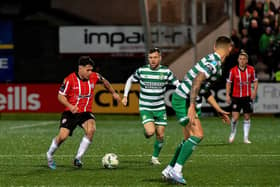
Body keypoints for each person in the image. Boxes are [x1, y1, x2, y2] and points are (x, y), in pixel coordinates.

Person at [161, 36, 232, 185]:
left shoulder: (212, 59)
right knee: (198, 135)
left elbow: (204, 90)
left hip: (184, 97)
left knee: (188, 139)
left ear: (214, 46)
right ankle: (176, 170)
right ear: (229, 49)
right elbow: (198, 79)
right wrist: (192, 105)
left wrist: (219, 109)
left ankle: (169, 169)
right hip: (186, 99)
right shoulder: (214, 62)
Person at [46, 56, 121, 169]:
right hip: (70, 113)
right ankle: (49, 155)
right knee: (62, 137)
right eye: (88, 70)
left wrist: (113, 93)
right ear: (80, 68)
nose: (90, 72)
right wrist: (70, 106)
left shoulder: (94, 76)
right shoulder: (69, 79)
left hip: (85, 113)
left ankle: (78, 159)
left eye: (91, 69)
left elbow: (104, 81)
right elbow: (60, 96)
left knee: (91, 130)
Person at [122, 47, 179, 165]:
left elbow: (177, 84)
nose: (152, 60)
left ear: (160, 58)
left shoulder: (166, 72)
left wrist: (184, 93)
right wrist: (125, 96)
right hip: (146, 107)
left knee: (161, 135)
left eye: (155, 57)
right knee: (150, 132)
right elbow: (130, 80)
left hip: (160, 108)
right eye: (150, 58)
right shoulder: (142, 71)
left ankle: (154, 158)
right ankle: (147, 132)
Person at [226, 50, 258, 144]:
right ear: (238, 60)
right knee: (235, 117)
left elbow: (255, 81)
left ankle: (245, 138)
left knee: (247, 117)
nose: (242, 61)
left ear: (247, 60)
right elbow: (228, 83)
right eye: (240, 59)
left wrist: (254, 92)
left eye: (244, 59)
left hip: (247, 97)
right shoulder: (233, 71)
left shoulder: (251, 69)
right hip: (236, 97)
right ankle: (232, 132)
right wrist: (227, 95)